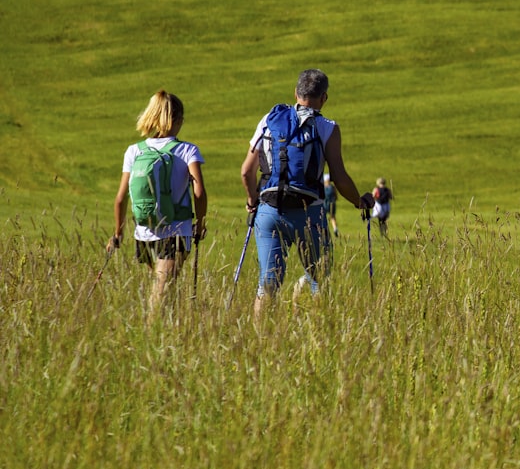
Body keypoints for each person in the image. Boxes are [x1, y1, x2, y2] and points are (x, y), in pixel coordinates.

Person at [240, 69, 373, 313]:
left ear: (296, 93)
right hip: (310, 213)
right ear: (324, 98)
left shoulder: (269, 119)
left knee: (267, 284)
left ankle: (259, 343)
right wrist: (359, 201)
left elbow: (246, 171)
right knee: (320, 279)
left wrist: (252, 201)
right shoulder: (327, 128)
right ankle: (318, 337)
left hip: (269, 210)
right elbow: (339, 177)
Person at [108, 90, 208, 312]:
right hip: (175, 230)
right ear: (178, 120)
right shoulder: (187, 150)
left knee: (161, 289)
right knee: (160, 295)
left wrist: (118, 233)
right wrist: (199, 225)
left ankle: (167, 335)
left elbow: (120, 197)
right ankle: (153, 337)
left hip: (143, 233)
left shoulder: (134, 151)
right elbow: (199, 192)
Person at [323, 173, 339, 238]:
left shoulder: (323, 187)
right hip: (332, 204)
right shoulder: (332, 187)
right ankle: (335, 229)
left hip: (325, 203)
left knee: (323, 217)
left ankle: (324, 230)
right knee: (332, 217)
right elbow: (336, 196)